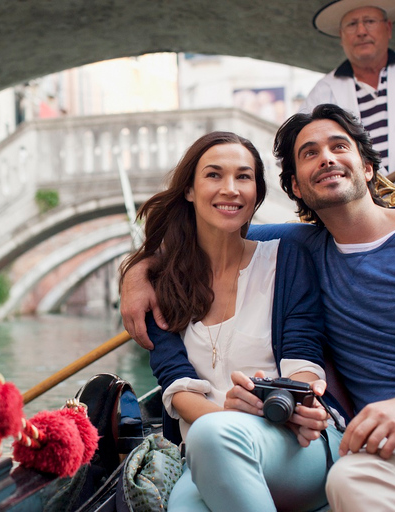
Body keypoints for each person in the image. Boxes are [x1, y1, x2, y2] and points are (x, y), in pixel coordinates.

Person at [121, 103, 395, 511]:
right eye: (310, 153)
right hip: (394, 437)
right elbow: (211, 232)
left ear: (367, 167)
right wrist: (139, 270)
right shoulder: (305, 245)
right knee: (353, 482)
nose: (327, 158)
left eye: (339, 146)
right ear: (296, 187)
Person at [119, 131, 343, 511]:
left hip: (293, 439)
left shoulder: (286, 260)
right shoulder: (160, 284)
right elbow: (176, 385)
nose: (231, 189)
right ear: (189, 190)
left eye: (243, 177)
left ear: (257, 192)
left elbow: (303, 362)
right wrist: (228, 416)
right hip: (208, 449)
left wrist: (284, 402)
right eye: (214, 175)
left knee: (210, 437)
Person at [302, 0, 395, 202]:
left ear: (388, 28)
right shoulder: (322, 93)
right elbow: (294, 151)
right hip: (366, 216)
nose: (361, 31)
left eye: (369, 21)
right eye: (351, 24)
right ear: (342, 36)